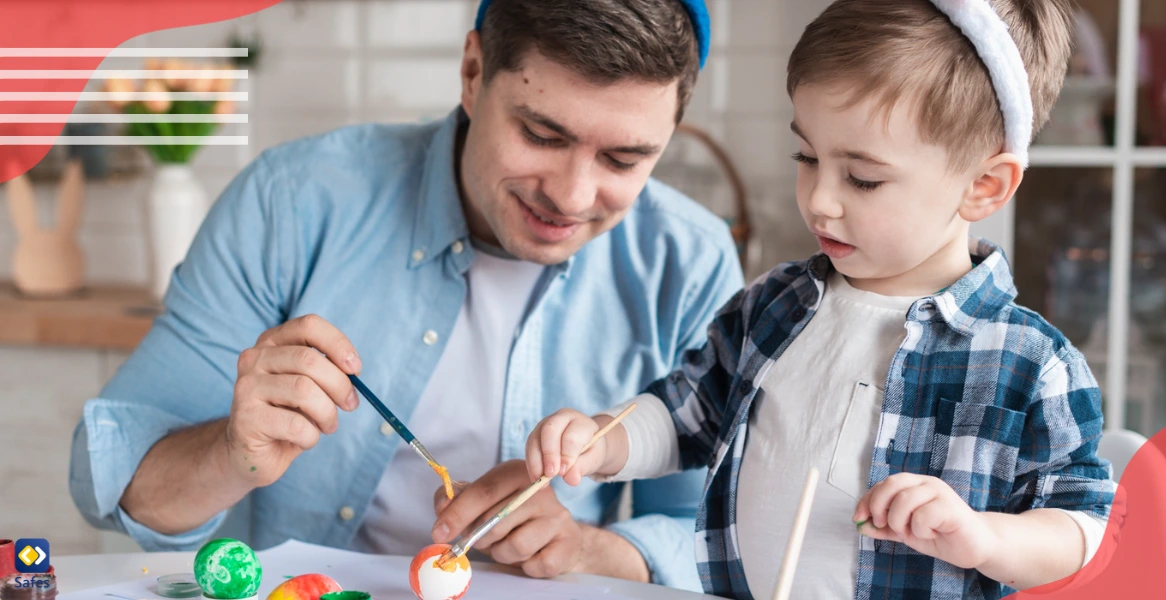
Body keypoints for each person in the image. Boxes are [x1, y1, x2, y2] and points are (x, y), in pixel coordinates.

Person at [69, 0, 743, 591]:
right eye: (542, 134)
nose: (571, 196)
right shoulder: (292, 202)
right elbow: (114, 482)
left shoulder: (687, 261)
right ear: (473, 74)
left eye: (623, 160)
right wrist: (228, 453)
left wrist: (586, 549)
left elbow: (711, 531)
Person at [522, 0, 1119, 598]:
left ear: (983, 186)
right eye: (807, 157)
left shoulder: (1028, 361)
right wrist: (600, 442)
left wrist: (984, 538)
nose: (820, 200)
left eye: (863, 178)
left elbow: (1084, 527)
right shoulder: (776, 305)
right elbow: (686, 415)